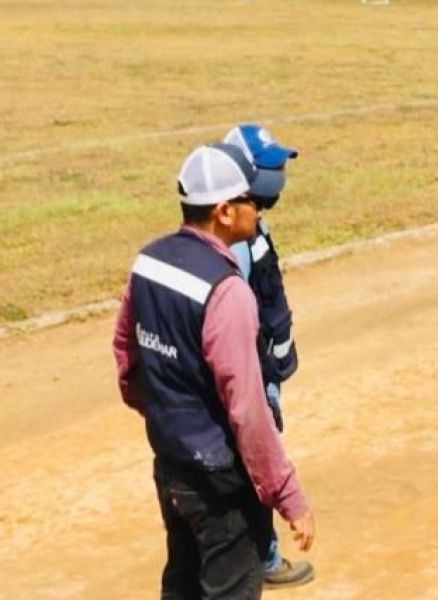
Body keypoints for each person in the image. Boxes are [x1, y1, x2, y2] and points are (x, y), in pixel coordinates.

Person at [113, 143, 316, 600]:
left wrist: (166, 413)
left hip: (170, 462)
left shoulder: (148, 262)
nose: (259, 211)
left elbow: (126, 356)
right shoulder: (228, 291)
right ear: (224, 211)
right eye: (252, 201)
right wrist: (288, 494)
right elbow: (247, 409)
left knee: (182, 583)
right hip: (220, 479)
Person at [221, 123, 314, 588]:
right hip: (253, 371)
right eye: (269, 164)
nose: (278, 174)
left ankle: (260, 555)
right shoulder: (234, 238)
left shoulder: (251, 221)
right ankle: (265, 558)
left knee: (257, 456)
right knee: (257, 459)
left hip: (267, 366)